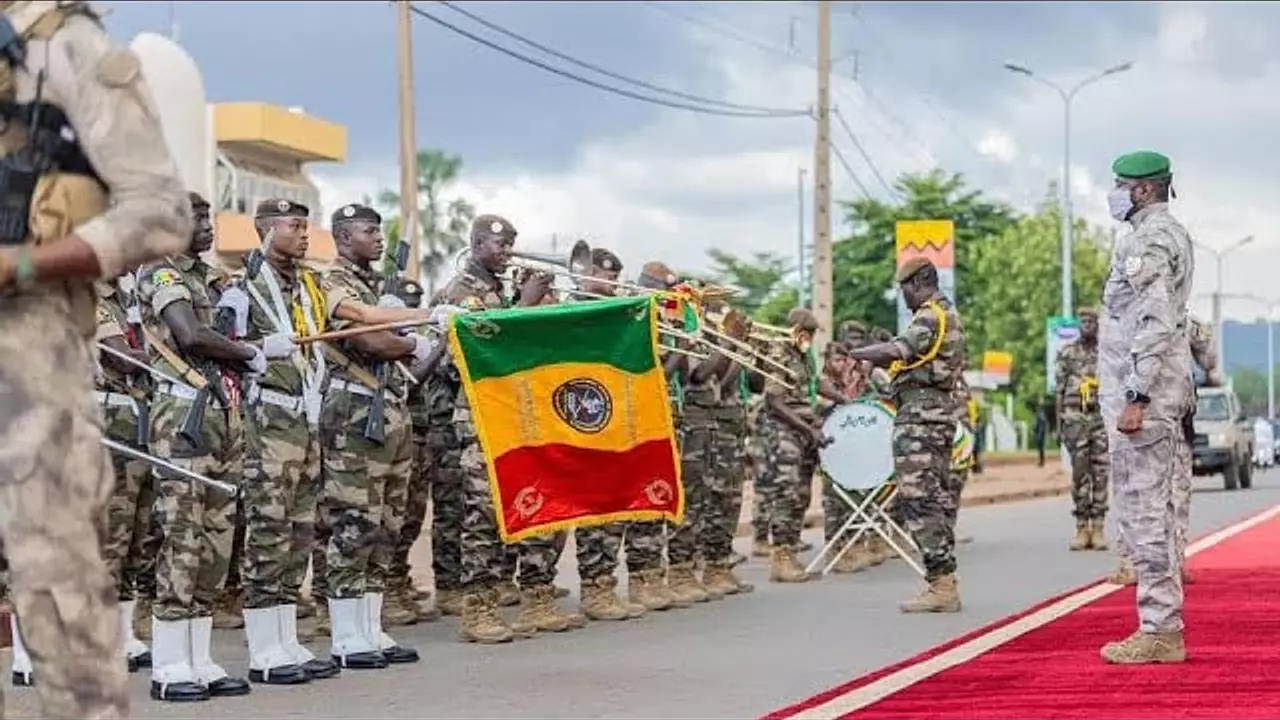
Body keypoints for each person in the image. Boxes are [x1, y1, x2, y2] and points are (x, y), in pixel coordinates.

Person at [0, 1, 193, 716]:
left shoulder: (69, 46)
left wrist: (21, 265)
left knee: (58, 589)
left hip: (25, 350)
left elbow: (161, 211)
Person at [136, 192, 257, 701]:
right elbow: (189, 334)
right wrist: (247, 350)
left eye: (209, 216)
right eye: (196, 218)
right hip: (182, 418)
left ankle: (199, 658)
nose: (209, 225)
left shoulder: (211, 279)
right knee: (183, 537)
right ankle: (168, 665)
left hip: (222, 413)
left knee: (215, 543)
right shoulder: (158, 271)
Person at [314, 203, 428, 669]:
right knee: (354, 521)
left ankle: (370, 625)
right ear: (343, 237)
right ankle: (344, 632)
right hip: (355, 412)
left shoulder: (374, 287)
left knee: (386, 524)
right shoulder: (334, 282)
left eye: (379, 230)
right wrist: (415, 339)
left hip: (390, 409)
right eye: (368, 230)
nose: (378, 238)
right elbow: (369, 342)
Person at [1098, 150, 1193, 665]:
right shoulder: (1163, 233)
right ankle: (1160, 623)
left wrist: (1135, 395)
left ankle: (1160, 628)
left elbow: (1154, 321)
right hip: (1154, 392)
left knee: (1146, 511)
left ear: (1142, 190)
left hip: (1147, 398)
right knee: (1149, 509)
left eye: (1118, 184)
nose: (1112, 193)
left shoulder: (1150, 240)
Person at [445, 214, 557, 643]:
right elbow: (483, 346)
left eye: (512, 243)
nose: (508, 252)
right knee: (484, 513)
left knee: (525, 506)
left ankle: (533, 599)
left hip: (514, 414)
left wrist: (533, 302)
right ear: (475, 245)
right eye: (499, 245)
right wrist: (526, 302)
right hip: (478, 416)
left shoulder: (499, 291)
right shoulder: (462, 290)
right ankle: (478, 608)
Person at [849, 258, 966, 613]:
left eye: (903, 289)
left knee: (919, 499)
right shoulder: (946, 314)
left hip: (921, 419)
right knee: (935, 497)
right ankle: (943, 581)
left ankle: (941, 584)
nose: (902, 297)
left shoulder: (930, 316)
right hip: (934, 415)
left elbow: (897, 351)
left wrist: (853, 352)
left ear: (916, 283)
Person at [92, 278, 157, 676]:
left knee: (136, 536)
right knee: (109, 537)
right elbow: (119, 357)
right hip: (106, 421)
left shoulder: (128, 298)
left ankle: (123, 631)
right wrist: (170, 353)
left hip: (137, 418)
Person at [761, 308, 844, 582]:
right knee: (786, 492)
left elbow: (814, 383)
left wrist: (841, 397)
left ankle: (791, 551)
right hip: (785, 430)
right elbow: (773, 401)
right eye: (807, 333)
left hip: (805, 431)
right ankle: (780, 557)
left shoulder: (804, 356)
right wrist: (808, 428)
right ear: (796, 329)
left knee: (801, 494)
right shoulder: (779, 352)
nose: (810, 338)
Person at [1055, 308, 1110, 551]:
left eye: (1091, 321)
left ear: (1098, 325)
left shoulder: (1106, 354)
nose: (1087, 325)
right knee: (1080, 473)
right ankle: (1081, 526)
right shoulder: (1067, 353)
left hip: (1100, 417)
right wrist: (1059, 424)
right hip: (1075, 417)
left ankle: (1097, 526)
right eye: (1083, 321)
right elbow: (1058, 390)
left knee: (1100, 472)